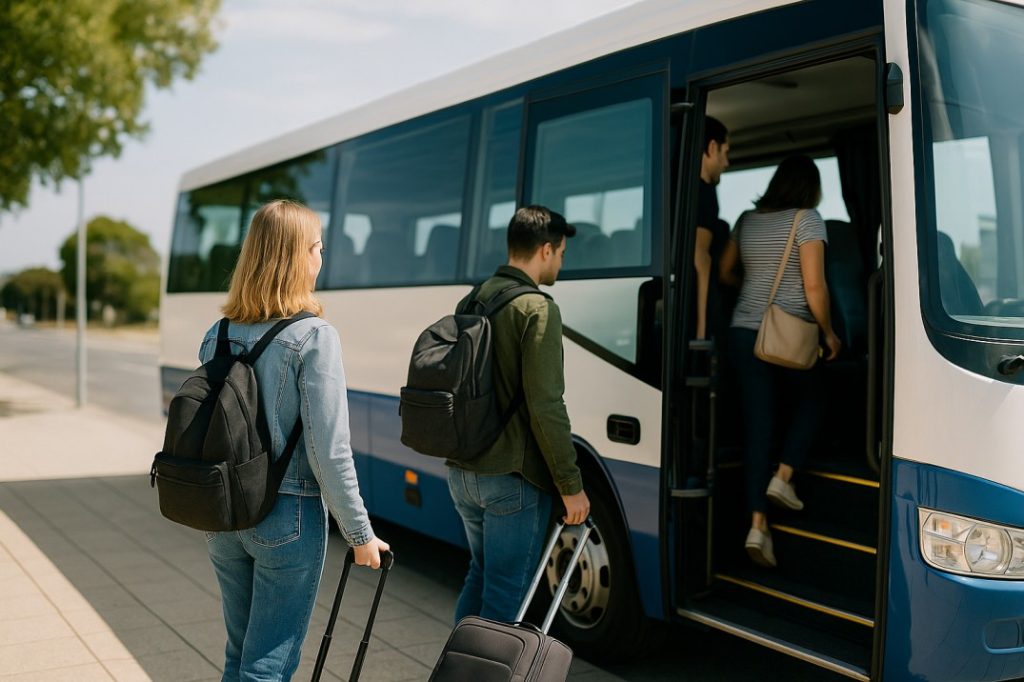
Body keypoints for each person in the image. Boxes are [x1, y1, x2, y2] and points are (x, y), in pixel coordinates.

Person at [200, 199, 389, 680]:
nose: (321, 259)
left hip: (223, 515)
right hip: (288, 516)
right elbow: (330, 451)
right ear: (297, 255)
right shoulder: (314, 337)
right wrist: (360, 533)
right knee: (268, 664)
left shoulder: (216, 334)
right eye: (318, 247)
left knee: (238, 653)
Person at [447, 205, 591, 623]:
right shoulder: (538, 309)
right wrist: (570, 484)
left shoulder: (472, 298)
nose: (561, 262)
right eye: (562, 253)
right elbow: (546, 406)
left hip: (463, 473)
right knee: (507, 593)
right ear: (546, 250)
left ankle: (456, 671)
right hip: (512, 480)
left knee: (481, 573)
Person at [719, 156, 842, 568]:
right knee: (816, 400)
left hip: (742, 333)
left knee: (759, 427)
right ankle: (783, 478)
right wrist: (827, 332)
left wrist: (753, 297)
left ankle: (757, 527)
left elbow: (724, 272)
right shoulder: (808, 219)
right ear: (810, 187)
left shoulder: (747, 220)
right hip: (787, 335)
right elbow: (814, 285)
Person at [694, 116, 731, 340]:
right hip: (703, 305)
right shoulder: (703, 194)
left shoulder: (695, 191)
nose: (726, 163)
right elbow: (700, 260)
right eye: (725, 153)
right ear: (712, 147)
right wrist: (701, 329)